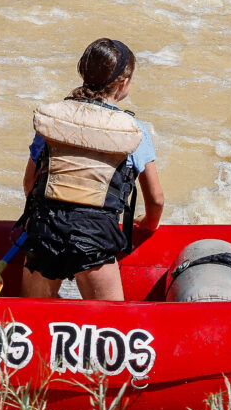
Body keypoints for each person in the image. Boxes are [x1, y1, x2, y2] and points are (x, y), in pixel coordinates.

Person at [21, 38, 164, 301]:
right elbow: (155, 200)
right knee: (110, 330)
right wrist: (149, 224)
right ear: (123, 84)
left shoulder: (52, 119)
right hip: (95, 239)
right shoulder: (135, 131)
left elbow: (30, 184)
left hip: (46, 233)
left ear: (83, 72)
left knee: (32, 324)